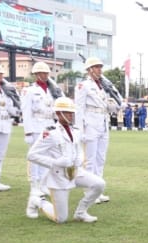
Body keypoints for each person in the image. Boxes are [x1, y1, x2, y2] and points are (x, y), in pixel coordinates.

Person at [26, 97, 105, 223]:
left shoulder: (76, 130)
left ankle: (81, 212)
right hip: (59, 176)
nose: (71, 115)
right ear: (58, 114)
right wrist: (55, 162)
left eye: (71, 113)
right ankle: (38, 201)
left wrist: (80, 158)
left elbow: (77, 148)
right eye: (67, 112)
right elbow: (32, 155)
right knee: (60, 219)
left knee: (99, 184)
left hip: (75, 171)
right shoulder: (50, 132)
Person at [75, 57, 119, 204]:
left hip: (103, 122)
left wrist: (114, 105)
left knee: (101, 159)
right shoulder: (83, 86)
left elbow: (109, 104)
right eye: (96, 67)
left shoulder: (104, 86)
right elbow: (79, 108)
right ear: (89, 70)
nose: (100, 69)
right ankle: (89, 190)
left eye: (100, 67)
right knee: (90, 160)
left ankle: (98, 189)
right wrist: (79, 130)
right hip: (90, 124)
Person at [21, 61, 64, 204]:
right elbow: (26, 112)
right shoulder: (29, 91)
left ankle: (44, 184)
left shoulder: (53, 90)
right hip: (36, 125)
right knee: (35, 158)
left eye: (46, 73)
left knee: (48, 157)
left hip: (50, 125)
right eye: (41, 73)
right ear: (36, 75)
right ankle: (34, 186)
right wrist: (27, 132)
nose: (44, 75)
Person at [0, 63, 20, 192]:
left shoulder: (5, 89)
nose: (0, 76)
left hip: (5, 123)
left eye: (1, 74)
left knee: (0, 154)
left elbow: (9, 107)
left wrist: (18, 111)